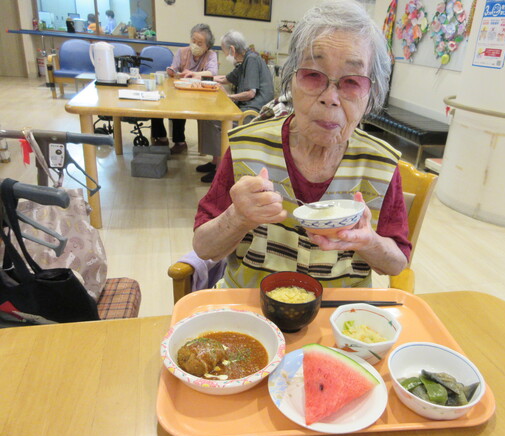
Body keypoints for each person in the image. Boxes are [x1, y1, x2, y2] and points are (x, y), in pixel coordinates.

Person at [192, 0, 411, 289]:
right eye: (313, 75)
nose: (330, 97)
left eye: (352, 82)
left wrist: (368, 240)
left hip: (338, 317)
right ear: (291, 81)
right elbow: (204, 248)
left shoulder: (380, 164)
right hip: (250, 311)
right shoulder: (248, 147)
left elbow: (397, 264)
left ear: (371, 95)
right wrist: (238, 216)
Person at [196, 30, 274, 183]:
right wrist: (198, 77)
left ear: (232, 49)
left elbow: (250, 93)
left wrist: (228, 97)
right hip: (244, 108)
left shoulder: (251, 60)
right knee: (205, 116)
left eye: (225, 51)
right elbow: (225, 78)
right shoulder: (244, 61)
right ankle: (214, 162)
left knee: (214, 120)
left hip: (253, 113)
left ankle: (220, 169)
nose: (226, 55)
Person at [150, 24, 218, 154]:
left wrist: (194, 74)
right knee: (157, 102)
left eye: (200, 43)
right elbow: (174, 68)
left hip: (199, 94)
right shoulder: (182, 52)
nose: (195, 45)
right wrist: (171, 71)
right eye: (193, 41)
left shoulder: (211, 55)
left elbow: (212, 73)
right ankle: (161, 138)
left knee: (179, 108)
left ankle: (180, 141)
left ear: (207, 46)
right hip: (180, 90)